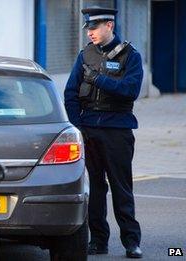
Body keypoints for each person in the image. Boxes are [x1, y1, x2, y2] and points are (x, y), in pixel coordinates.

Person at [64, 6, 143, 259]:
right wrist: (78, 127)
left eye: (94, 28)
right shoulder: (85, 55)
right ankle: (98, 241)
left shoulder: (130, 56)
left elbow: (130, 90)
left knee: (122, 187)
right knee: (95, 189)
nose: (90, 33)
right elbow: (70, 94)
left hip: (117, 130)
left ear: (109, 25)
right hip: (89, 130)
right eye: (88, 28)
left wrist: (98, 80)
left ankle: (131, 241)